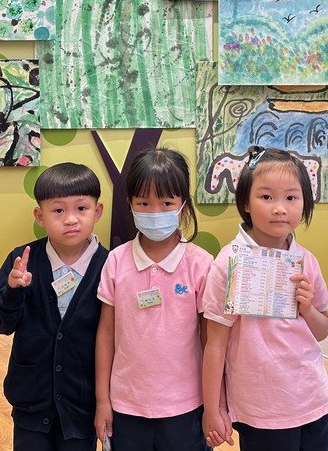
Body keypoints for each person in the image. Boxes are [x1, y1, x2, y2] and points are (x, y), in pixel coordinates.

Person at [202, 146, 328, 451]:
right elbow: (215, 344)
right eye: (266, 197)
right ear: (245, 203)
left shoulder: (306, 261)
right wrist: (213, 409)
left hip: (312, 397)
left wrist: (308, 309)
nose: (279, 209)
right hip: (261, 408)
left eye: (291, 198)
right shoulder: (230, 262)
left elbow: (322, 331)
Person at [0, 162, 109, 450]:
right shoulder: (22, 260)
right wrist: (12, 291)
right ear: (40, 216)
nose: (71, 219)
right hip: (31, 398)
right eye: (58, 211)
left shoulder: (109, 265)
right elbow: (0, 323)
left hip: (82, 403)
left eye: (81, 208)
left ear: (97, 211)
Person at [94, 147, 213, 451]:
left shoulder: (200, 264)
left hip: (186, 405)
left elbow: (211, 341)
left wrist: (215, 405)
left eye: (166, 203)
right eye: (143, 203)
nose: (155, 212)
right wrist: (102, 400)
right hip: (126, 404)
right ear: (130, 204)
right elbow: (106, 334)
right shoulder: (116, 261)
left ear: (183, 205)